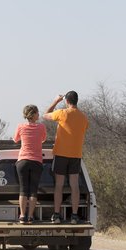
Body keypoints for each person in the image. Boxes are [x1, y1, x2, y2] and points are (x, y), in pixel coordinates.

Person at [43, 91, 88, 224]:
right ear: (76, 101)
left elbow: (45, 115)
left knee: (59, 185)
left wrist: (56, 101)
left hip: (61, 153)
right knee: (75, 186)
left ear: (67, 101)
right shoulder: (83, 117)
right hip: (76, 154)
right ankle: (74, 216)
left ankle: (56, 215)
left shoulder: (62, 113)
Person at [13, 104, 47, 224]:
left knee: (23, 190)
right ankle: (31, 216)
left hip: (22, 161)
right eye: (37, 113)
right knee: (33, 191)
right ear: (33, 115)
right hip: (36, 161)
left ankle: (22, 216)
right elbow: (43, 139)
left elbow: (15, 139)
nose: (39, 115)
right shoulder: (41, 127)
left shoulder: (20, 126)